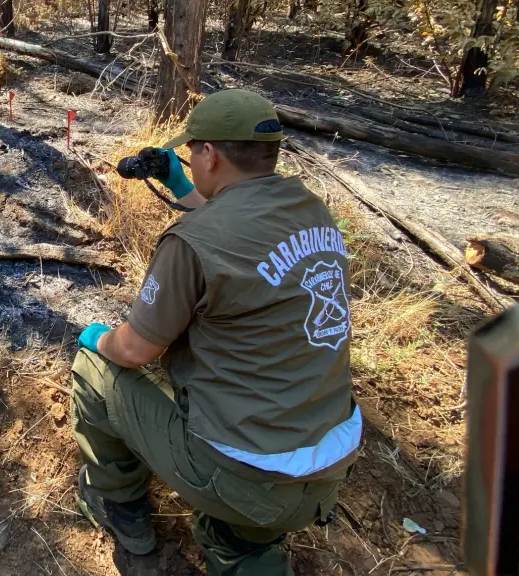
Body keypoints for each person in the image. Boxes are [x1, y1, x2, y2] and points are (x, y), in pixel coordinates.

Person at [70, 90, 358, 575]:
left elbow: (136, 349)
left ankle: (121, 507)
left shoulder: (191, 242)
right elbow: (241, 227)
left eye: (191, 151)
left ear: (212, 154)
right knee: (237, 541)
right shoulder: (313, 211)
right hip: (329, 465)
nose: (188, 158)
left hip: (246, 475)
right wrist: (179, 183)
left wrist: (97, 338)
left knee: (96, 368)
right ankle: (241, 542)